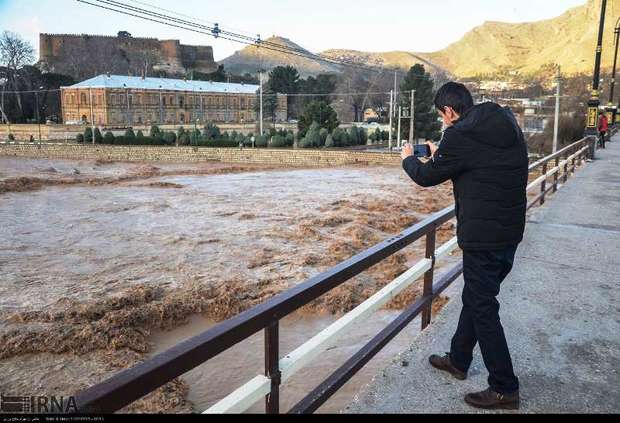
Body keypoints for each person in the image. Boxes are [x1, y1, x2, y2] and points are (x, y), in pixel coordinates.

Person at [401, 82, 528, 410]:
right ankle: (459, 360)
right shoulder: (505, 122)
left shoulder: (460, 135)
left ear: (449, 111)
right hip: (509, 233)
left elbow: (427, 177)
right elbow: (475, 165)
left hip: (482, 238)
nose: (444, 122)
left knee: (483, 307)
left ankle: (504, 387)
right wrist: (441, 153)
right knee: (477, 297)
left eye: (443, 116)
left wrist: (408, 160)